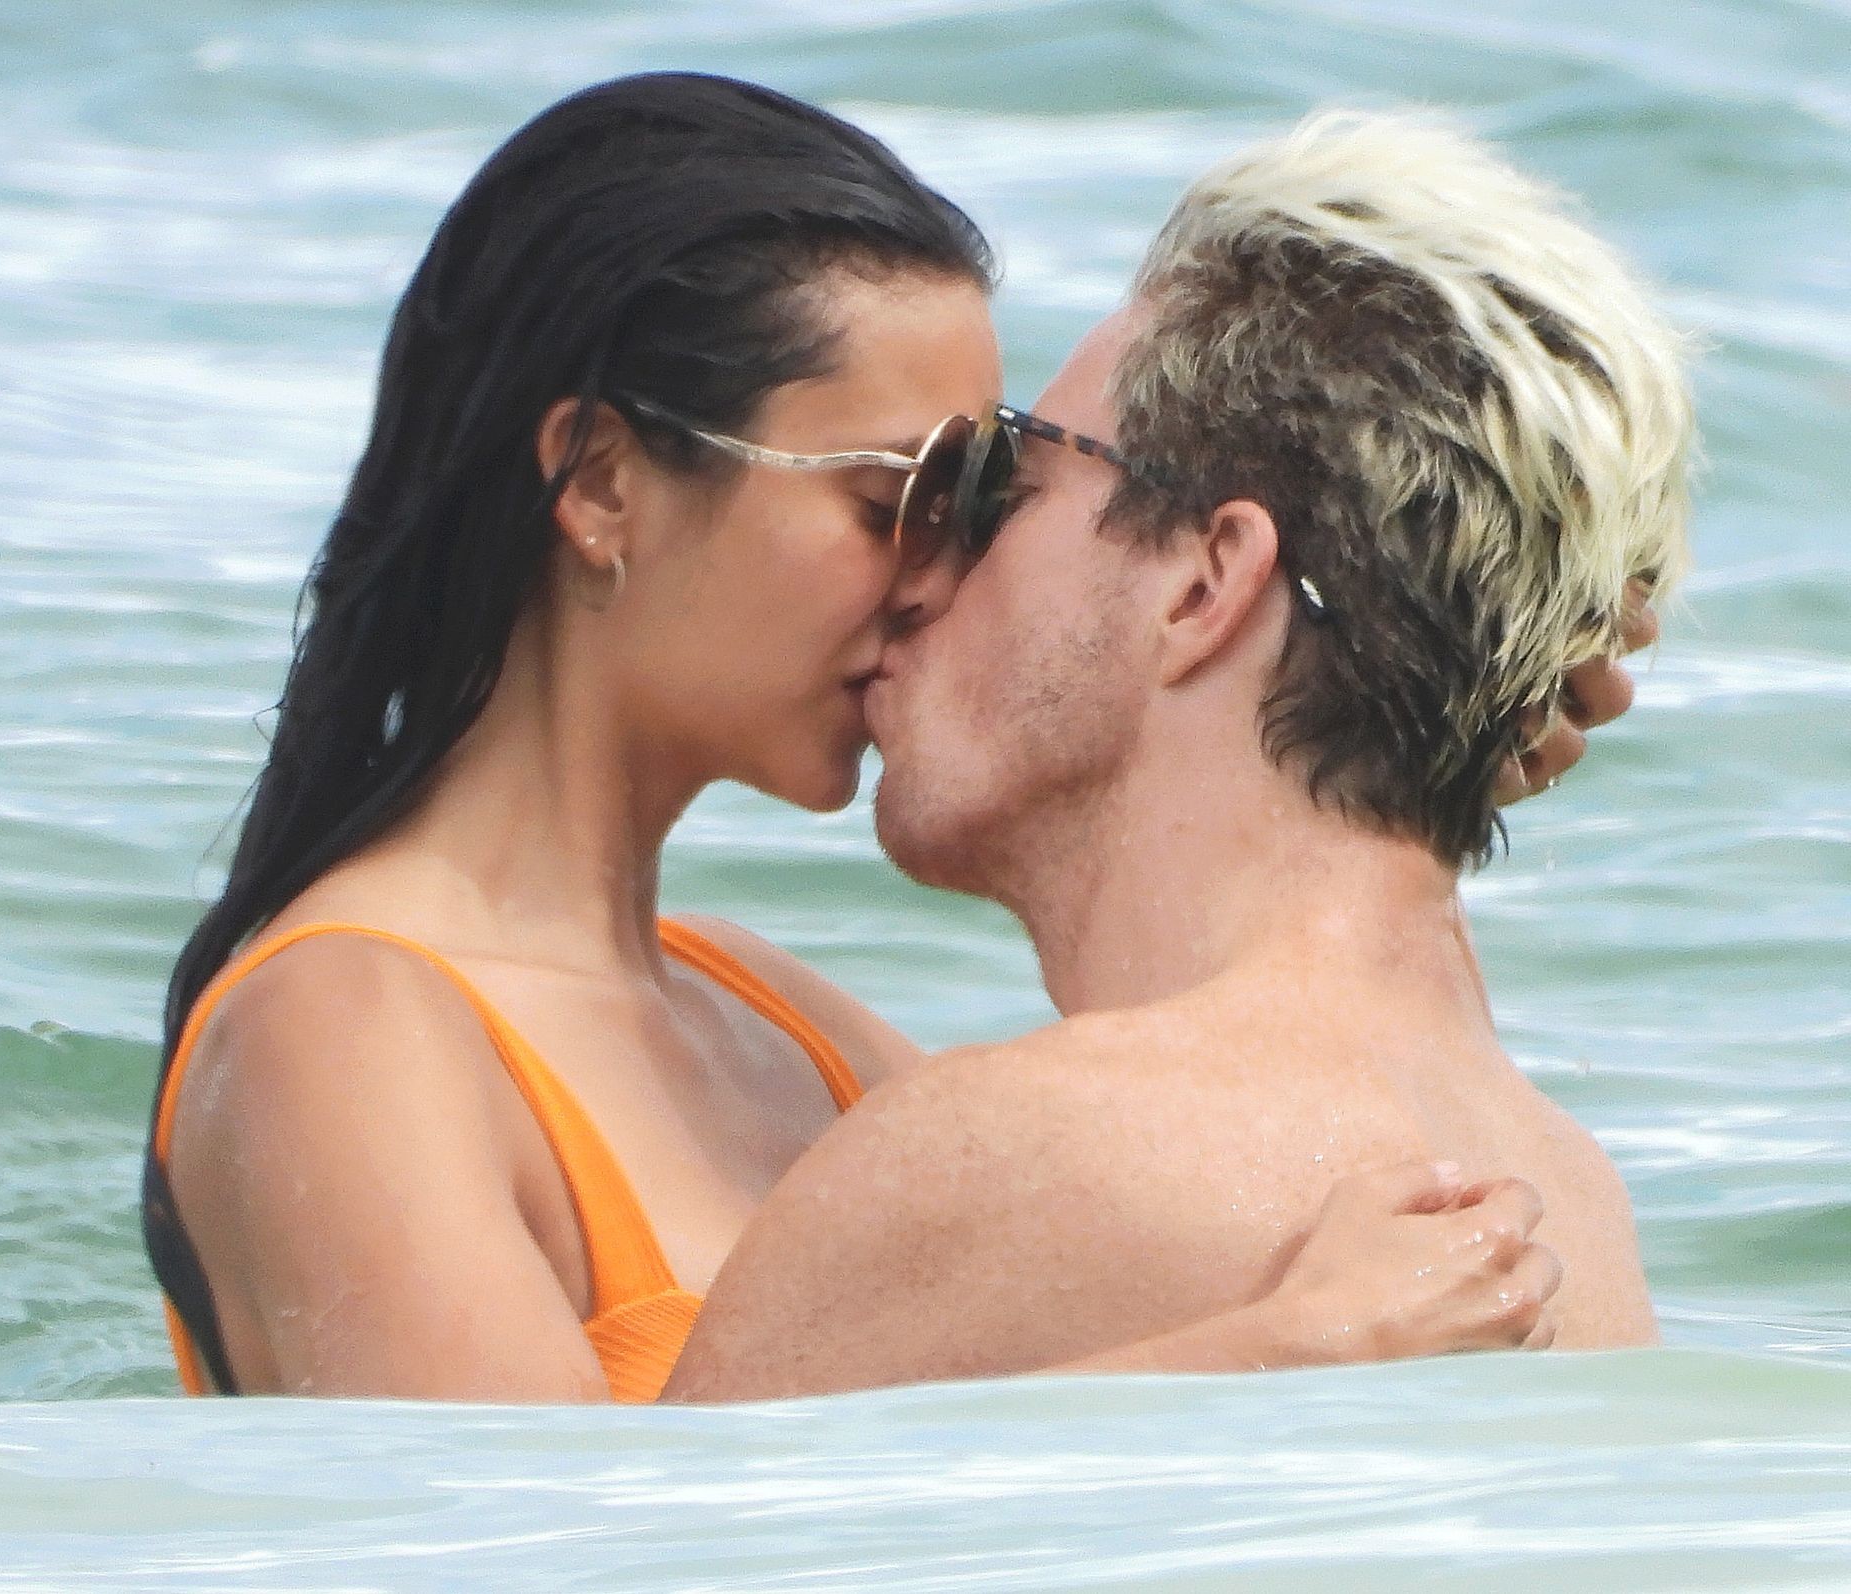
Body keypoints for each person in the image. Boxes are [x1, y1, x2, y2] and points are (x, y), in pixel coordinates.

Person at [143, 78, 1639, 1403]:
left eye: (985, 499)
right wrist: (1268, 1358)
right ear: (599, 484)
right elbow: (535, 1564)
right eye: (892, 503)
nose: (940, 580)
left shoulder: (784, 1023)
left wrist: (1444, 677)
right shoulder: (340, 1023)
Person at [664, 109, 1693, 1402]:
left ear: (1206, 582)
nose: (927, 573)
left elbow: (627, 1521)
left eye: (1005, 489)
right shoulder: (1572, 1201)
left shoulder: (1012, 1155)